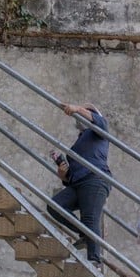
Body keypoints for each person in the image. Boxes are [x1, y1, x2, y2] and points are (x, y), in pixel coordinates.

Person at [47, 103, 111, 266]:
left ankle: (94, 260)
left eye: (87, 113)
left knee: (90, 218)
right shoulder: (81, 139)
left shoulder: (99, 131)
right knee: (55, 206)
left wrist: (78, 109)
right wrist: (63, 175)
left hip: (95, 178)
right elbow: (73, 173)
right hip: (78, 182)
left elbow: (100, 122)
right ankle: (85, 234)